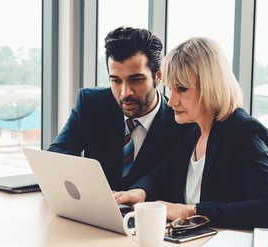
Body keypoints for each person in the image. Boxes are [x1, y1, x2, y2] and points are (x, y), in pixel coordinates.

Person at [115, 37, 268, 229]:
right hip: (184, 241)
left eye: (182, 89)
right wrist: (141, 191)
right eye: (170, 88)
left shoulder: (245, 134)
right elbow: (164, 172)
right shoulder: (191, 130)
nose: (171, 101)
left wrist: (189, 212)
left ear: (211, 86)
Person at [48, 27, 193, 191]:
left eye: (136, 80)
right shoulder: (91, 104)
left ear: (158, 76)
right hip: (94, 212)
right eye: (116, 81)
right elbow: (57, 154)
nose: (125, 93)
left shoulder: (182, 124)